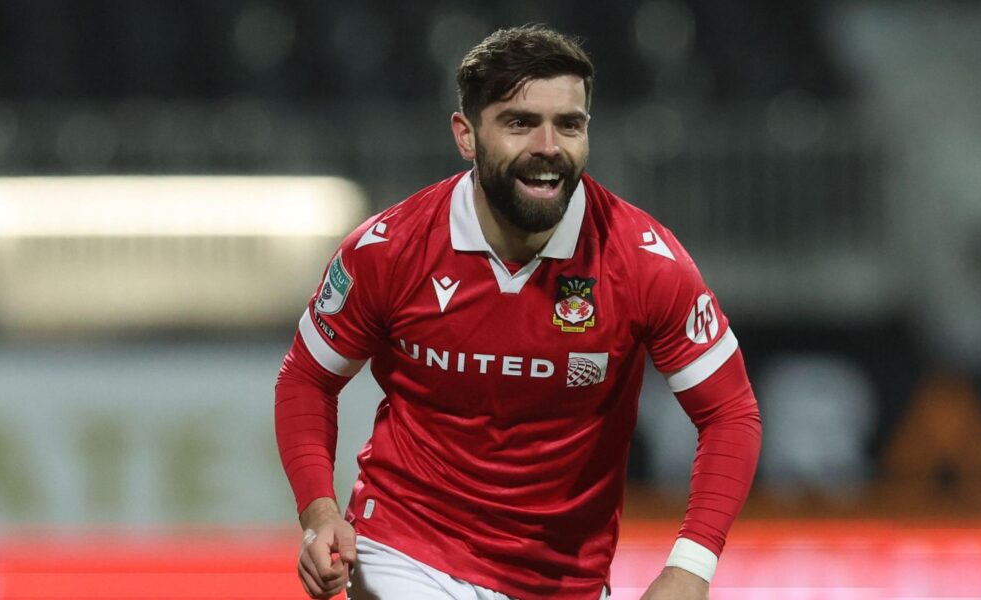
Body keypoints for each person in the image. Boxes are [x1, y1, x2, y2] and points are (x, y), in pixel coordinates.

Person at [275, 25, 761, 600]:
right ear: (466, 135)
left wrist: (690, 567)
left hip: (563, 579)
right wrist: (318, 510)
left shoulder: (643, 261)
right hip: (406, 552)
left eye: (569, 125)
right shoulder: (389, 249)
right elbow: (307, 378)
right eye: (519, 122)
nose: (549, 146)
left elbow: (730, 412)